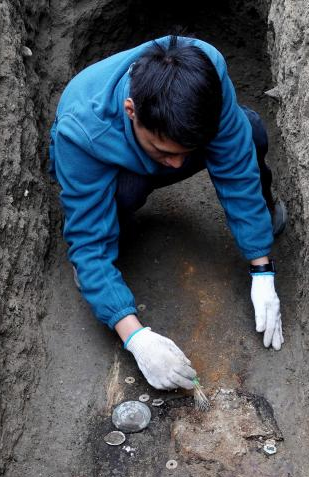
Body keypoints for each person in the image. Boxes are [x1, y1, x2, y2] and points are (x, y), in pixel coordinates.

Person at [49, 35, 285, 391]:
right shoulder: (81, 130)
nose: (176, 165)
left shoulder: (207, 73)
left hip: (167, 140)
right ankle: (105, 275)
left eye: (185, 152)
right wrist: (136, 338)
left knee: (248, 131)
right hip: (116, 168)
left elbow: (236, 169)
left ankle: (261, 220)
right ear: (131, 110)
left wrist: (261, 267)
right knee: (107, 220)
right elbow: (88, 246)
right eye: (164, 151)